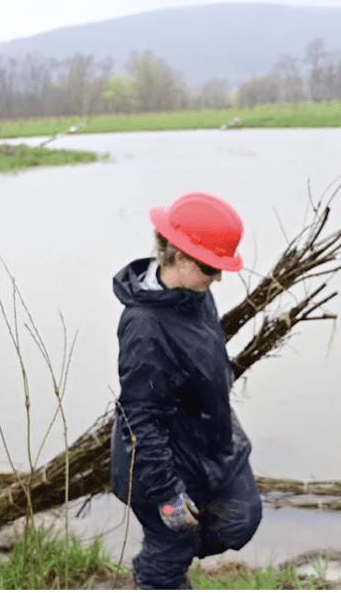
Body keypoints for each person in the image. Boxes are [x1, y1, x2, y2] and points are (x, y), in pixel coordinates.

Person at [111, 191, 262, 589]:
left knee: (241, 519)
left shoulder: (195, 295)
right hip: (162, 460)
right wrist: (167, 494)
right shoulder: (144, 325)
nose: (218, 278)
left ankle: (165, 556)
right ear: (179, 256)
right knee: (173, 544)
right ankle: (158, 570)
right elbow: (140, 417)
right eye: (211, 268)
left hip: (207, 443)